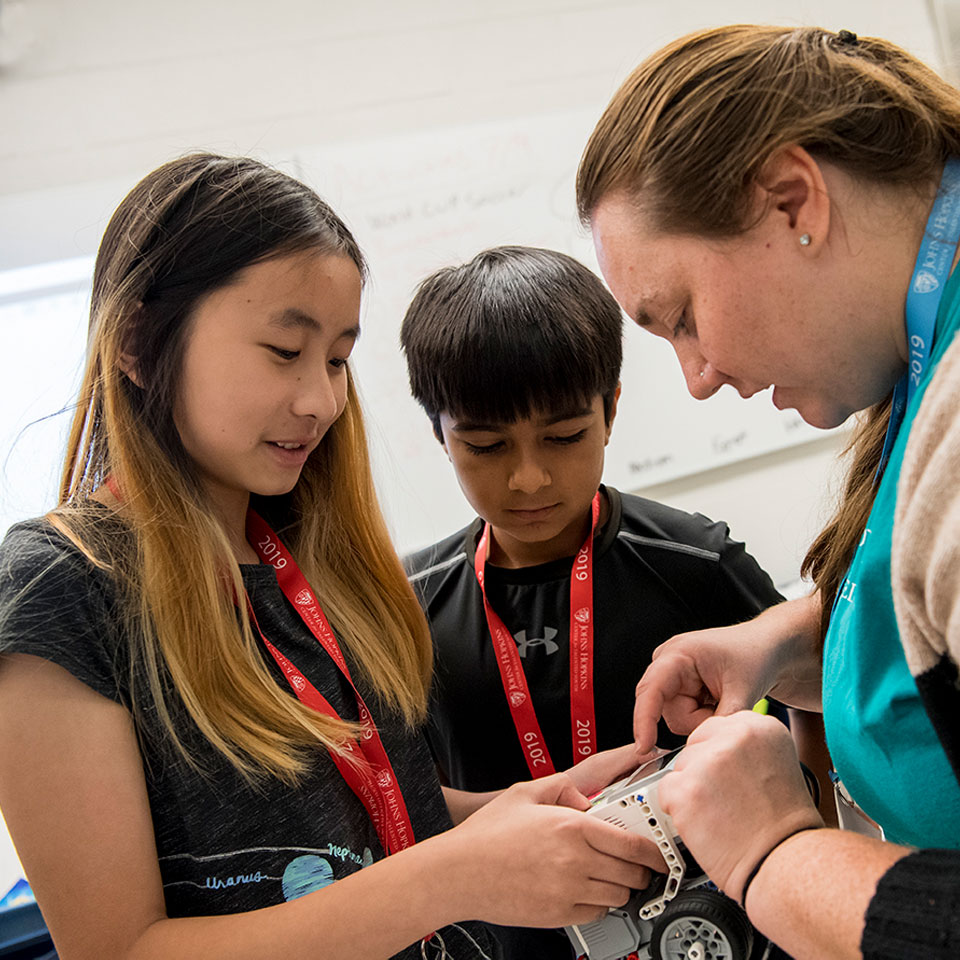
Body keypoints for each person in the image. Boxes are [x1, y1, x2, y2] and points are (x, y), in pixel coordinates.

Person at [0, 155, 663, 960]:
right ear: (139, 342)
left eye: (339, 358)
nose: (320, 400)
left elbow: (353, 828)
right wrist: (451, 877)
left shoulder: (307, 556)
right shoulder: (61, 585)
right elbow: (119, 948)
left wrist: (510, 812)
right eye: (285, 351)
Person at [577, 23, 960, 960]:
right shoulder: (923, 369)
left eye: (684, 318)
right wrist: (792, 642)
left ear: (795, 199)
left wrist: (771, 853)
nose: (699, 377)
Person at [400, 245, 784, 959]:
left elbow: (805, 714)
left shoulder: (697, 564)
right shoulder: (403, 611)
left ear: (609, 410)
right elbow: (401, 808)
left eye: (565, 436)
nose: (529, 478)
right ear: (439, 435)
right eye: (485, 446)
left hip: (707, 937)